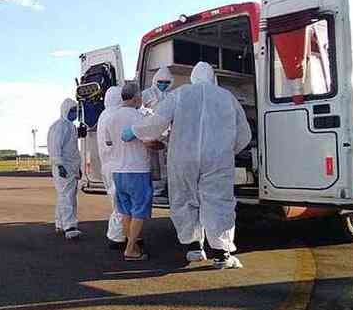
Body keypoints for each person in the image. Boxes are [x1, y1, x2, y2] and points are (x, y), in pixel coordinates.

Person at [124, 62, 251, 269]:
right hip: (217, 159)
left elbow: (157, 122)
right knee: (218, 202)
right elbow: (244, 134)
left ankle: (193, 247)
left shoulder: (180, 94)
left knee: (184, 199)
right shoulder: (227, 97)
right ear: (213, 78)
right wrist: (226, 152)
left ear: (193, 77)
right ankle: (221, 254)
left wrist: (136, 130)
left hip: (183, 157)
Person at [108, 82, 154, 260]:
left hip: (118, 170)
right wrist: (161, 144)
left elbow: (109, 143)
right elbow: (149, 142)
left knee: (126, 211)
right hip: (137, 170)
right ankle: (130, 249)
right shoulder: (138, 117)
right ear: (136, 97)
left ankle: (131, 245)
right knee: (139, 211)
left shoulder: (112, 118)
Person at [47, 98, 82, 240]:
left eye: (76, 110)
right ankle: (70, 227)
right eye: (72, 110)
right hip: (63, 167)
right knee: (67, 197)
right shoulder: (60, 126)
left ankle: (60, 223)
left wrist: (77, 168)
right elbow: (55, 147)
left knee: (66, 196)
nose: (75, 113)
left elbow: (73, 150)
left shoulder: (70, 126)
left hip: (70, 168)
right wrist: (59, 164)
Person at [96, 86, 126, 250]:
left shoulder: (104, 115)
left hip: (107, 165)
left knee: (116, 201)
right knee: (121, 202)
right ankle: (117, 237)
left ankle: (119, 235)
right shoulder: (115, 115)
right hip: (117, 165)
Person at [141, 66, 174, 203]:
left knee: (165, 162)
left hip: (167, 134)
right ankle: (154, 189)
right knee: (153, 162)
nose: (163, 84)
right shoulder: (147, 94)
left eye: (166, 82)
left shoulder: (171, 95)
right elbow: (140, 110)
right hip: (151, 132)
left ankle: (163, 188)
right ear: (155, 81)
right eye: (161, 81)